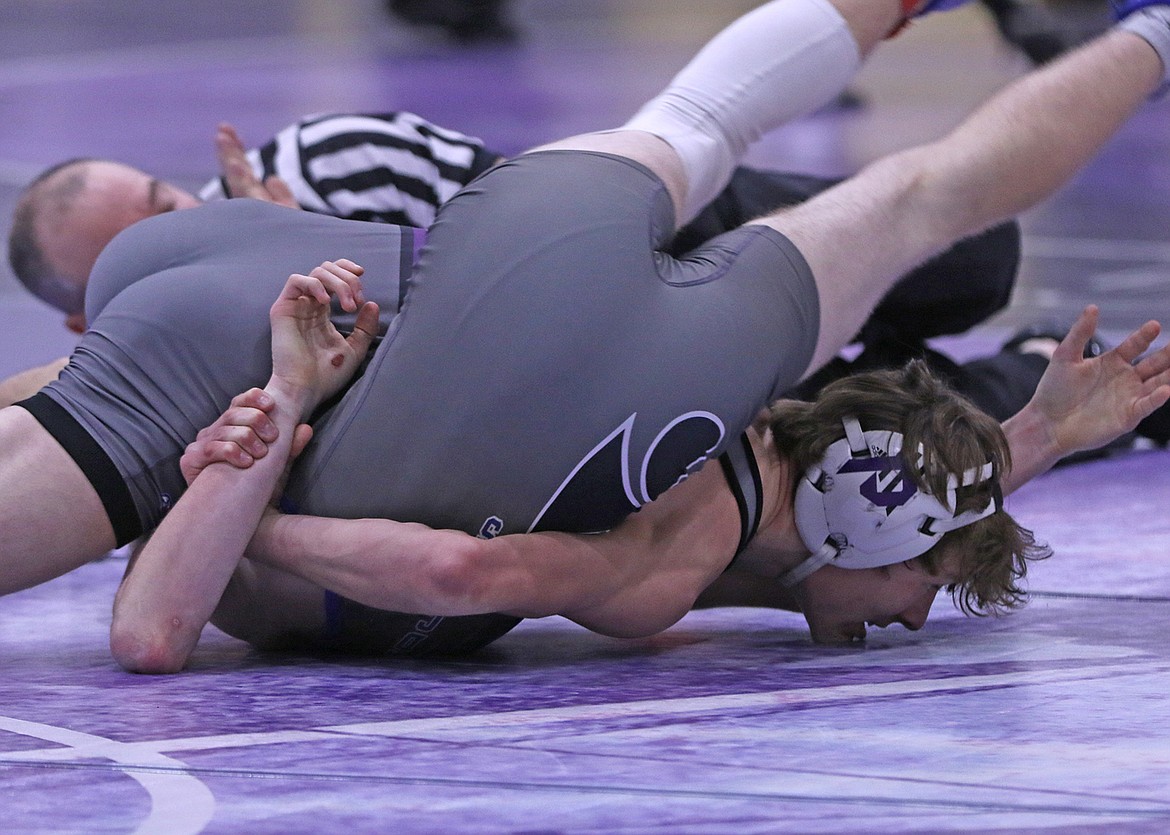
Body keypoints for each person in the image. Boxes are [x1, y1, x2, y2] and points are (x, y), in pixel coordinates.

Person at [3, 0, 1169, 666]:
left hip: (480, 265)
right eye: (928, 589)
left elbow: (889, 509)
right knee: (943, 215)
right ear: (869, 536)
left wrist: (1038, 439)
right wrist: (252, 486)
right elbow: (455, 568)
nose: (915, 618)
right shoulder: (668, 570)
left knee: (766, 136)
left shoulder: (806, 514)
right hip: (428, 334)